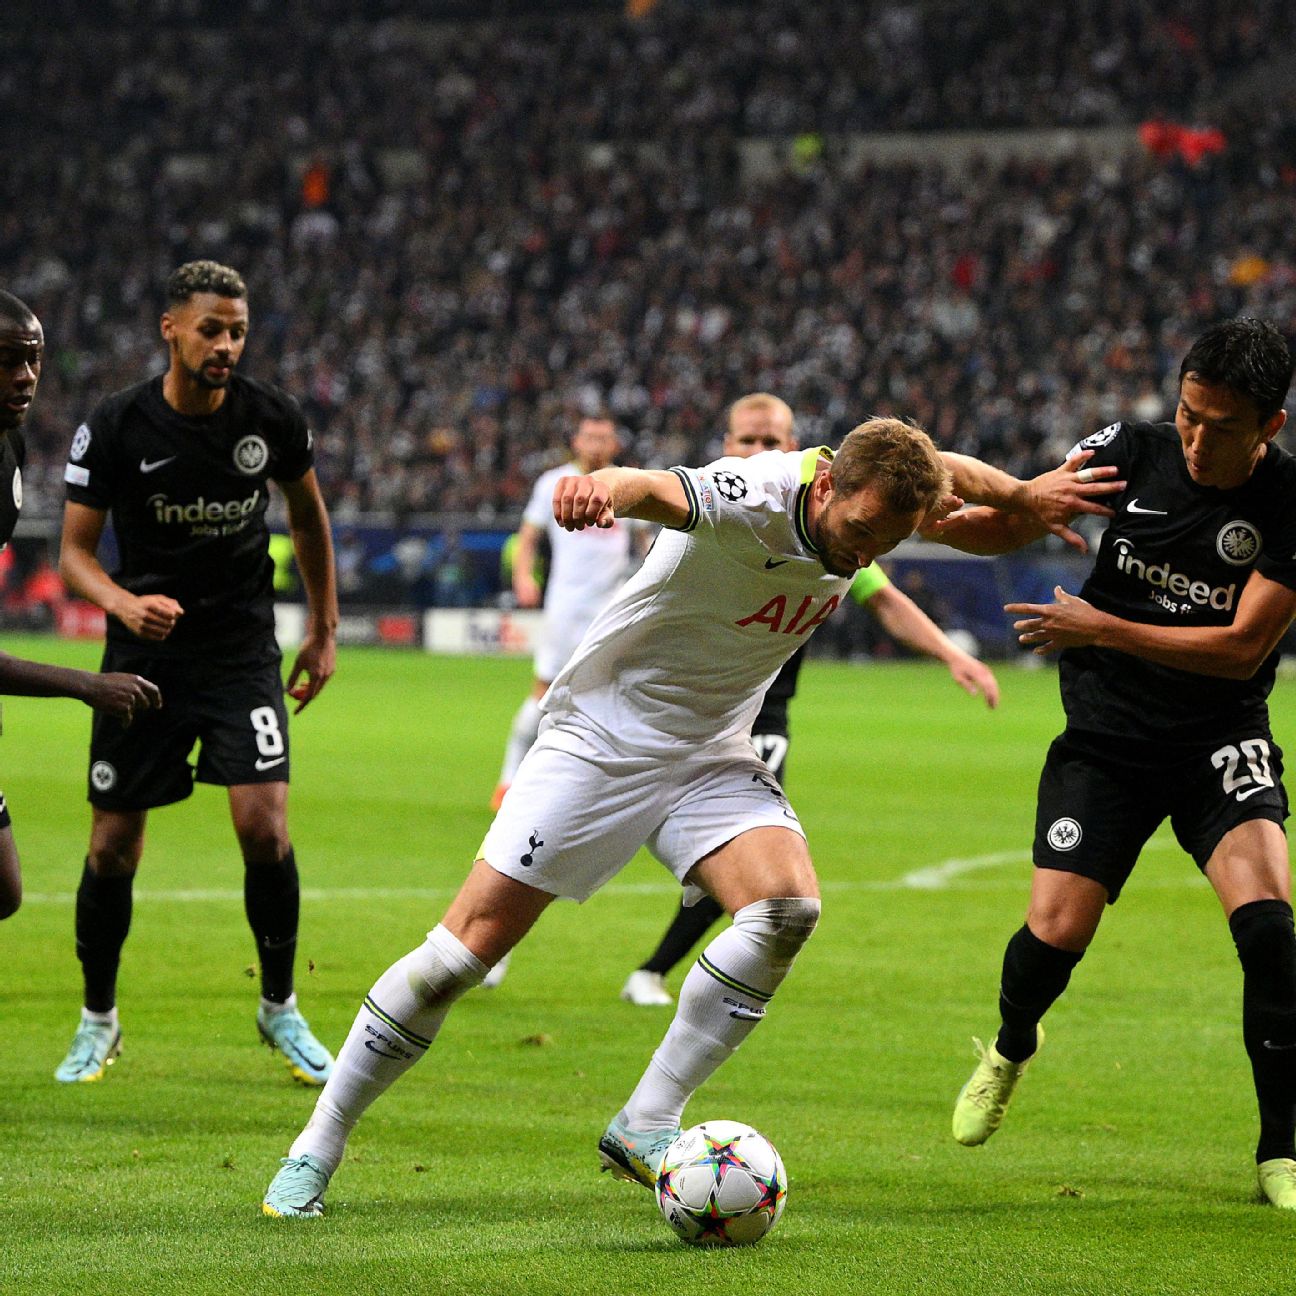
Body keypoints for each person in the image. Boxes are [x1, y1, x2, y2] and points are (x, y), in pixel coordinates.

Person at [260, 416, 1115, 1217]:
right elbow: (653, 486)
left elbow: (953, 476)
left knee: (787, 907)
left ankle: (646, 1121)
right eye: (861, 535)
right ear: (824, 493)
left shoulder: (877, 498)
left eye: (885, 541)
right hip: (603, 738)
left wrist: (1025, 497)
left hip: (708, 753)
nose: (867, 554)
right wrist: (602, 490)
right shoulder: (754, 493)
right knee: (460, 954)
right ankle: (318, 1145)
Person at [938, 319, 1296, 1210]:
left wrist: (1102, 627)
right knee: (1054, 938)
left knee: (1270, 936)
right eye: (1187, 415)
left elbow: (1242, 649)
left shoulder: (1291, 502)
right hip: (1106, 740)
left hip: (1219, 734)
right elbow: (1016, 520)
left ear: (1271, 428)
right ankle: (1012, 1044)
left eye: (1222, 426)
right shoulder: (1125, 452)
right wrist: (949, 522)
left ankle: (1281, 1151)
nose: (1197, 439)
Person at [54, 261, 339, 1087]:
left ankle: (279, 1007)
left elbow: (308, 516)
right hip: (142, 660)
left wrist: (321, 631)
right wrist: (122, 602)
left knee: (266, 826)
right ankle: (97, 1021)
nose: (226, 345)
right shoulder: (115, 425)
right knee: (112, 845)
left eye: (238, 331)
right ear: (170, 330)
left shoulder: (270, 418)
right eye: (211, 329)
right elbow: (72, 554)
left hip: (240, 655)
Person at [622, 393, 999, 1007]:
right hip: (667, 710)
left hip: (759, 717)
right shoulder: (713, 511)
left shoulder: (836, 535)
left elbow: (883, 599)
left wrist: (952, 654)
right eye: (749, 441)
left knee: (756, 864)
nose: (763, 453)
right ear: (725, 446)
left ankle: (653, 969)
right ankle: (496, 947)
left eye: (775, 442)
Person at [0, 291, 161, 921]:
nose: (26, 377)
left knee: (4, 889)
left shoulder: (9, 445)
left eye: (33, 360)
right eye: (9, 361)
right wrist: (87, 685)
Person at [491, 413, 636, 812]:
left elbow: (646, 539)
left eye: (603, 437)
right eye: (589, 436)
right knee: (544, 691)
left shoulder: (627, 483)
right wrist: (523, 575)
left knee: (617, 691)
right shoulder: (553, 482)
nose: (596, 444)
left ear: (614, 444)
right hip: (567, 606)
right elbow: (529, 536)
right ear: (576, 441)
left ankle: (601, 786)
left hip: (615, 608)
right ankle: (508, 779)